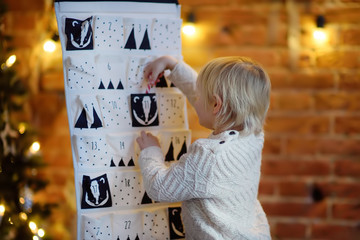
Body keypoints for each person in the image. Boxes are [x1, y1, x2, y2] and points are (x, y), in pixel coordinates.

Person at [136, 56, 271, 239]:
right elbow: (200, 95)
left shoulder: (209, 156)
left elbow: (159, 187)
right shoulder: (254, 134)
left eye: (200, 96)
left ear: (216, 104)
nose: (196, 100)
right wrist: (173, 66)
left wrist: (151, 151)